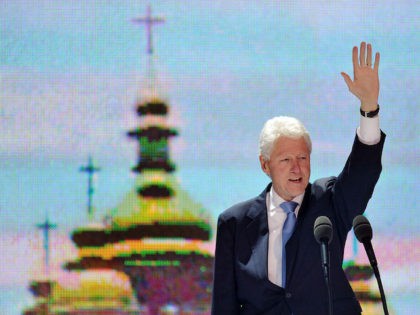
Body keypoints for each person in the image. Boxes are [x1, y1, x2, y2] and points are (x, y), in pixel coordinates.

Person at [211, 42, 385, 315]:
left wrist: (369, 108)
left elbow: (361, 175)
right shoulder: (234, 224)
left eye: (303, 158)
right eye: (285, 160)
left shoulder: (329, 204)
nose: (297, 168)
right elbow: (224, 306)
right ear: (264, 164)